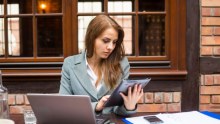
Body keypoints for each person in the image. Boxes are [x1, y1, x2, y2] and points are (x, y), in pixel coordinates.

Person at [59, 15, 143, 116]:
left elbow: (117, 109)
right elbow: (64, 106)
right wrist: (96, 106)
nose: (110, 47)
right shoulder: (70, 64)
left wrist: (129, 106)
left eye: (114, 42)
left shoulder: (121, 64)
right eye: (106, 41)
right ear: (92, 38)